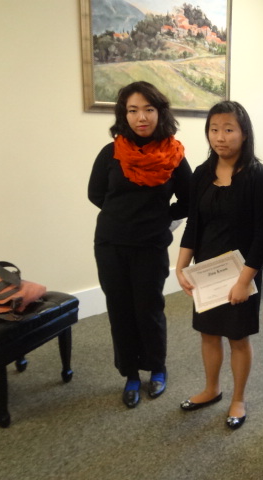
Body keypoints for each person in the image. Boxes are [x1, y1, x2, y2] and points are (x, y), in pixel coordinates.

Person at [88, 81, 192, 409]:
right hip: (110, 244)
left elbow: (189, 200)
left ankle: (157, 368)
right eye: (132, 110)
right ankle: (131, 373)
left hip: (150, 246)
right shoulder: (111, 153)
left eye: (148, 109)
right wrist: (124, 217)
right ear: (124, 114)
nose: (141, 117)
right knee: (120, 310)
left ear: (159, 113)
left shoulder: (174, 155)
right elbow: (95, 194)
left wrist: (162, 219)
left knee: (148, 310)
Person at [176, 101, 263, 430]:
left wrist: (244, 281)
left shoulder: (258, 177)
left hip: (243, 272)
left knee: (238, 338)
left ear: (244, 134)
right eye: (214, 129)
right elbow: (193, 225)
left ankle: (238, 398)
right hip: (206, 270)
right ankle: (212, 388)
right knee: (208, 334)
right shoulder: (201, 174)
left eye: (229, 129)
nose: (220, 136)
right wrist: (181, 268)